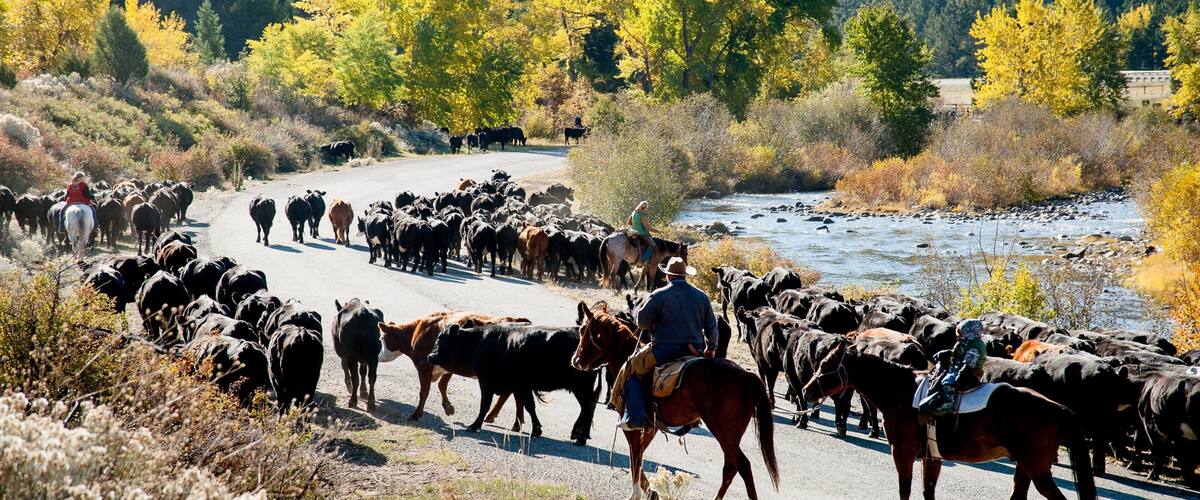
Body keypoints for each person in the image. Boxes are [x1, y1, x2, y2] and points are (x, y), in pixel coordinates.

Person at [615, 256, 718, 431]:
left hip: (665, 349)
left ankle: (636, 417)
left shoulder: (659, 294)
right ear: (685, 276)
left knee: (632, 370)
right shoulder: (701, 296)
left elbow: (641, 323)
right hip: (694, 351)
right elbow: (712, 326)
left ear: (668, 276)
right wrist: (712, 348)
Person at [920, 319, 987, 415]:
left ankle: (948, 404)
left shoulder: (976, 346)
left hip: (969, 373)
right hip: (958, 368)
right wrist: (947, 353)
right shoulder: (965, 342)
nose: (959, 335)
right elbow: (958, 352)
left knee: (947, 381)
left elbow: (969, 362)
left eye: (962, 332)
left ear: (969, 331)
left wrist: (961, 374)